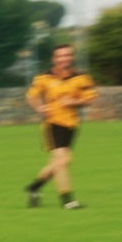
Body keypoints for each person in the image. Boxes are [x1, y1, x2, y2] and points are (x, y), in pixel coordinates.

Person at [24, 44, 97, 210]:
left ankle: (34, 187)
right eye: (60, 56)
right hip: (52, 124)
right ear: (54, 59)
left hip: (71, 125)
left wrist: (74, 102)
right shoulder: (44, 78)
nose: (64, 59)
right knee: (62, 161)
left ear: (71, 58)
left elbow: (90, 98)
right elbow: (31, 96)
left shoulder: (81, 78)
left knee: (59, 162)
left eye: (67, 55)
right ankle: (68, 200)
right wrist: (39, 107)